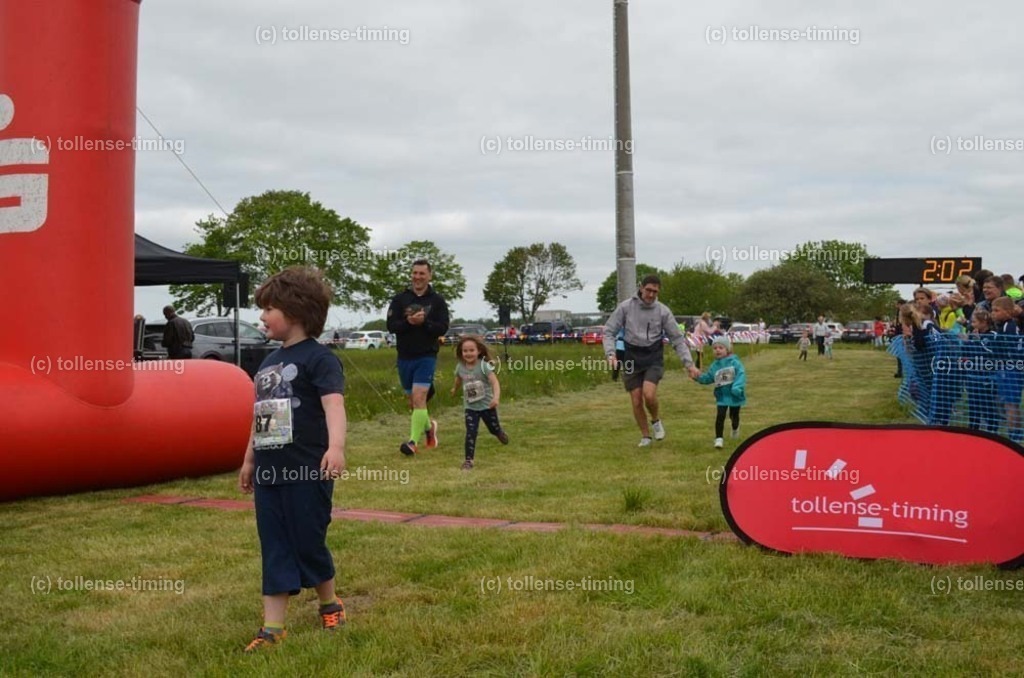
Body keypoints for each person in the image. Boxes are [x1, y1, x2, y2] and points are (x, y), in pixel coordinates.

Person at [238, 266, 348, 652]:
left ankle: (330, 602)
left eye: (269, 309)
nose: (262, 316)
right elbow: (260, 415)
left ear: (296, 311)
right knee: (274, 544)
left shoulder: (321, 359)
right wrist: (249, 459)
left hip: (307, 471)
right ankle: (273, 628)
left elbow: (334, 405)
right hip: (270, 472)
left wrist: (336, 447)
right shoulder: (267, 363)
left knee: (308, 541)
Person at [602, 274, 701, 447]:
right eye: (648, 290)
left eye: (655, 292)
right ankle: (646, 436)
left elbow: (677, 339)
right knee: (636, 400)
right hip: (631, 356)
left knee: (649, 394)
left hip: (653, 356)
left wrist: (689, 365)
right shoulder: (625, 307)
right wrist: (611, 354)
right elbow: (609, 331)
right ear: (641, 288)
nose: (651, 294)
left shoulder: (663, 311)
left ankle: (655, 420)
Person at [386, 259, 450, 456]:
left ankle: (412, 443)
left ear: (429, 276)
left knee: (420, 396)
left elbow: (443, 328)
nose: (418, 277)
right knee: (414, 403)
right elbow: (391, 326)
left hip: (426, 356)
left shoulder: (437, 301)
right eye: (415, 273)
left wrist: (425, 323)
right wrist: (409, 322)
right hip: (404, 357)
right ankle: (430, 429)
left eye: (422, 273)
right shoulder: (400, 299)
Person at [450, 336, 509, 470]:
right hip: (470, 407)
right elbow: (458, 379)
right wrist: (454, 389)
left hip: (487, 406)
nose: (468, 353)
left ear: (479, 351)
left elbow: (495, 383)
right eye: (465, 351)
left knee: (493, 429)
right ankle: (469, 461)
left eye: (471, 350)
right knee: (471, 432)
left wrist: (496, 398)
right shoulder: (460, 367)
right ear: (461, 352)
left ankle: (499, 433)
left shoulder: (484, 366)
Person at [693, 336, 746, 449]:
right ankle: (719, 439)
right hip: (722, 396)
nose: (717, 350)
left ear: (727, 349)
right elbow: (708, 378)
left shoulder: (735, 363)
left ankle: (735, 428)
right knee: (720, 416)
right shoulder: (714, 366)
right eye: (715, 348)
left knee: (734, 416)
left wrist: (737, 388)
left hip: (735, 395)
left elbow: (741, 375)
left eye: (721, 348)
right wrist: (697, 377)